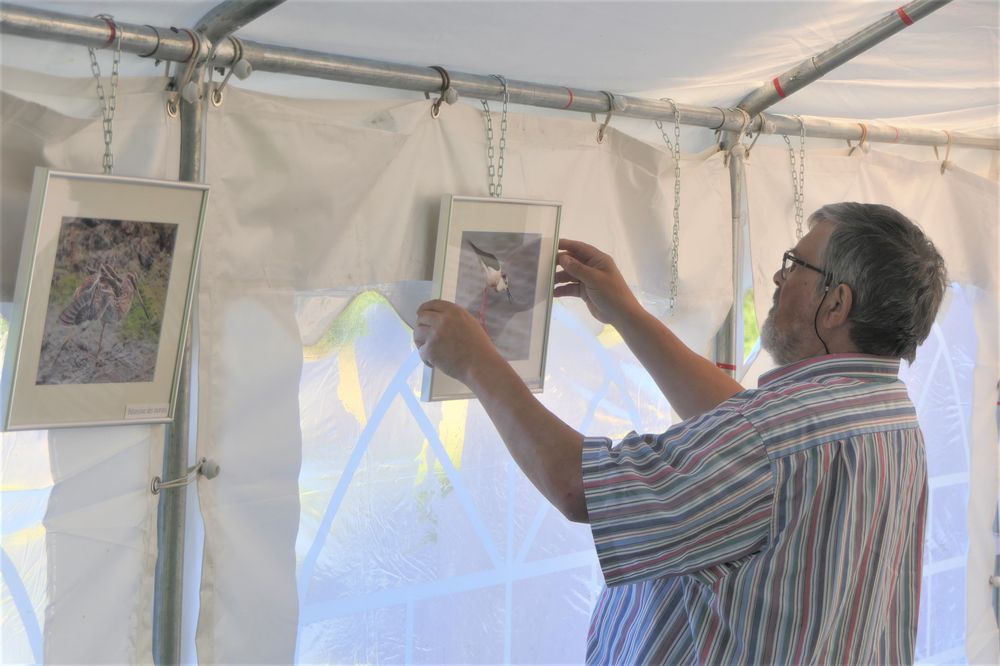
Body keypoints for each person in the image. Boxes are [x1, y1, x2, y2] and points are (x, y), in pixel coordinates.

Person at [413, 202, 946, 665]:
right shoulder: (886, 413)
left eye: (796, 264)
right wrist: (626, 313)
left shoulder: (774, 436)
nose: (780, 277)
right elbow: (750, 433)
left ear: (836, 303)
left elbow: (579, 487)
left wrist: (477, 361)